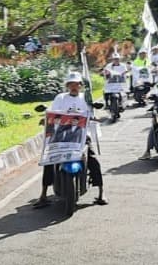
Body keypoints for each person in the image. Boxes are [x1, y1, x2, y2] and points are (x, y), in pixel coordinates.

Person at [36, 72, 107, 207]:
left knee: (93, 159)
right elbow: (52, 112)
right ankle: (43, 194)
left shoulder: (86, 98)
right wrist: (45, 119)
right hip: (61, 136)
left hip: (81, 136)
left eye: (77, 84)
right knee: (49, 160)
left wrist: (95, 117)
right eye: (71, 84)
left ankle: (101, 192)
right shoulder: (60, 98)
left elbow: (91, 113)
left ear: (80, 86)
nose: (74, 87)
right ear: (67, 86)